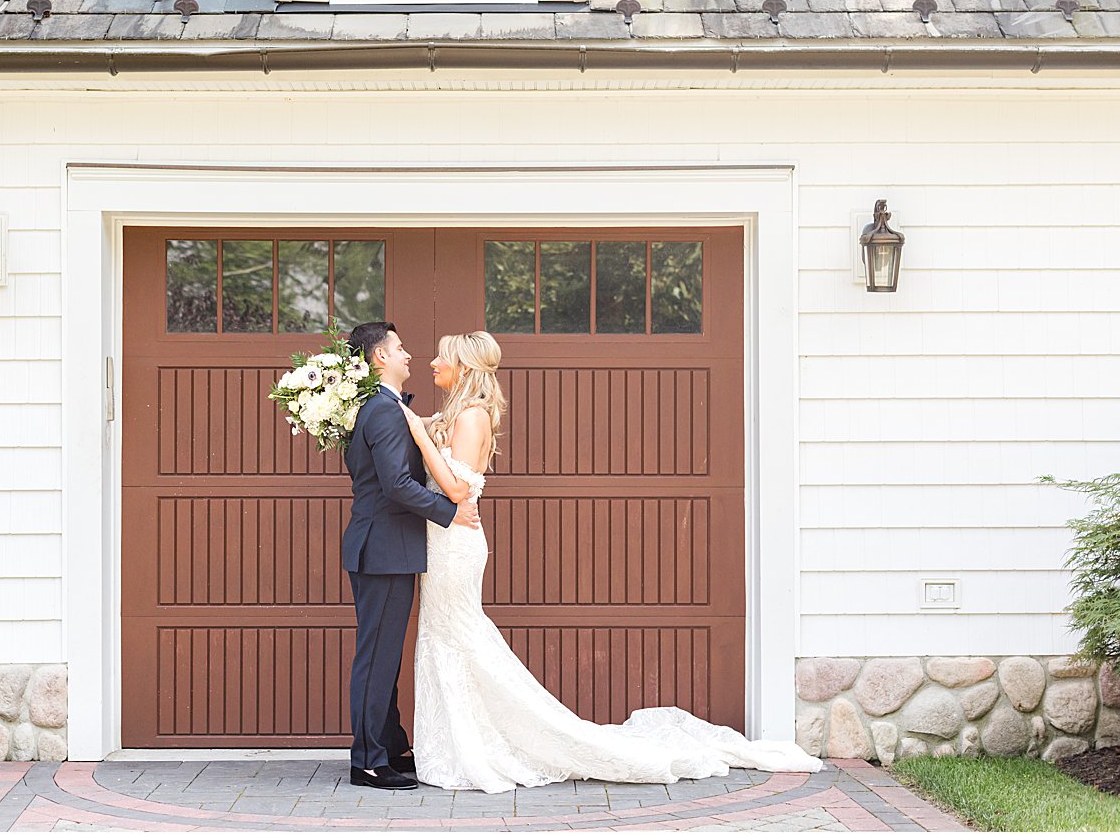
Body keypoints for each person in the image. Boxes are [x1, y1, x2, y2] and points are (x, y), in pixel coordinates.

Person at [401, 330, 823, 794]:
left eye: (442, 355)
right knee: (446, 638)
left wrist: (420, 436)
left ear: (462, 365)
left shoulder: (472, 417)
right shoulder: (456, 415)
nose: (433, 361)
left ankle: (499, 745)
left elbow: (459, 491)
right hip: (443, 543)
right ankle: (458, 744)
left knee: (462, 640)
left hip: (456, 547)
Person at [341, 321, 481, 790]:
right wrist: (450, 512)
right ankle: (367, 761)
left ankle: (390, 744)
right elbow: (395, 485)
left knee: (384, 656)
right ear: (379, 358)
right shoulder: (382, 410)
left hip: (389, 548)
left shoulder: (389, 407)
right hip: (382, 549)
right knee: (376, 656)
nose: (408, 355)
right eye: (400, 348)